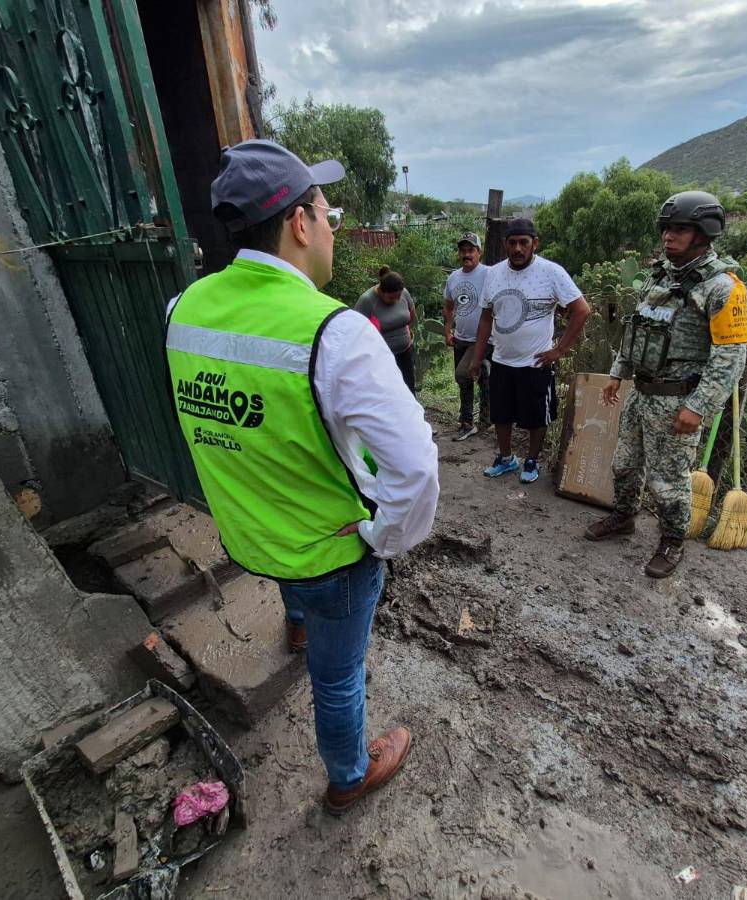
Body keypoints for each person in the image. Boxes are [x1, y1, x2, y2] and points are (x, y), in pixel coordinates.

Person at [164, 139, 439, 814]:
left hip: (248, 532)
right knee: (339, 678)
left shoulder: (182, 310)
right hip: (330, 552)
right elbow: (416, 466)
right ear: (299, 222)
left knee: (293, 572)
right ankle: (348, 779)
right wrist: (384, 535)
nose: (332, 227)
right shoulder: (335, 332)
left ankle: (295, 625)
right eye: (326, 211)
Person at [584, 191, 747, 578]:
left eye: (680, 230)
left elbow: (731, 357)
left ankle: (672, 541)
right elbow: (636, 330)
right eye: (667, 229)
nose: (668, 237)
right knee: (624, 464)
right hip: (641, 393)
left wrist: (699, 407)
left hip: (678, 402)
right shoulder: (660, 275)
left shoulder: (723, 288)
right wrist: (618, 373)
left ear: (704, 234)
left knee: (669, 482)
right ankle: (623, 517)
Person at [469, 219, 590, 484]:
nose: (518, 248)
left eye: (524, 242)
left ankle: (531, 460)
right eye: (512, 243)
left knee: (536, 416)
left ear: (535, 243)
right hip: (501, 359)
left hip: (536, 363)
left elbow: (582, 310)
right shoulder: (494, 274)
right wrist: (477, 358)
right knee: (501, 413)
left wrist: (559, 350)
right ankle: (506, 458)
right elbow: (487, 318)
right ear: (505, 245)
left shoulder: (551, 272)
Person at [443, 232, 491, 440]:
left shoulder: (489, 274)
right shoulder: (453, 277)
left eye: (471, 250)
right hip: (460, 338)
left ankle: (476, 421)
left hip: (482, 339)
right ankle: (472, 420)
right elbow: (448, 305)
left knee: (463, 374)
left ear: (479, 252)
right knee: (468, 381)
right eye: (463, 250)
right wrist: (447, 329)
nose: (466, 254)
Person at [355, 267, 418, 393]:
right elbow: (356, 330)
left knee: (408, 389)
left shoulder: (404, 293)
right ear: (381, 291)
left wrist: (407, 331)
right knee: (387, 393)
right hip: (380, 357)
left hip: (404, 351)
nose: (395, 300)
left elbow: (411, 314)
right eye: (391, 298)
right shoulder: (367, 300)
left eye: (398, 297)